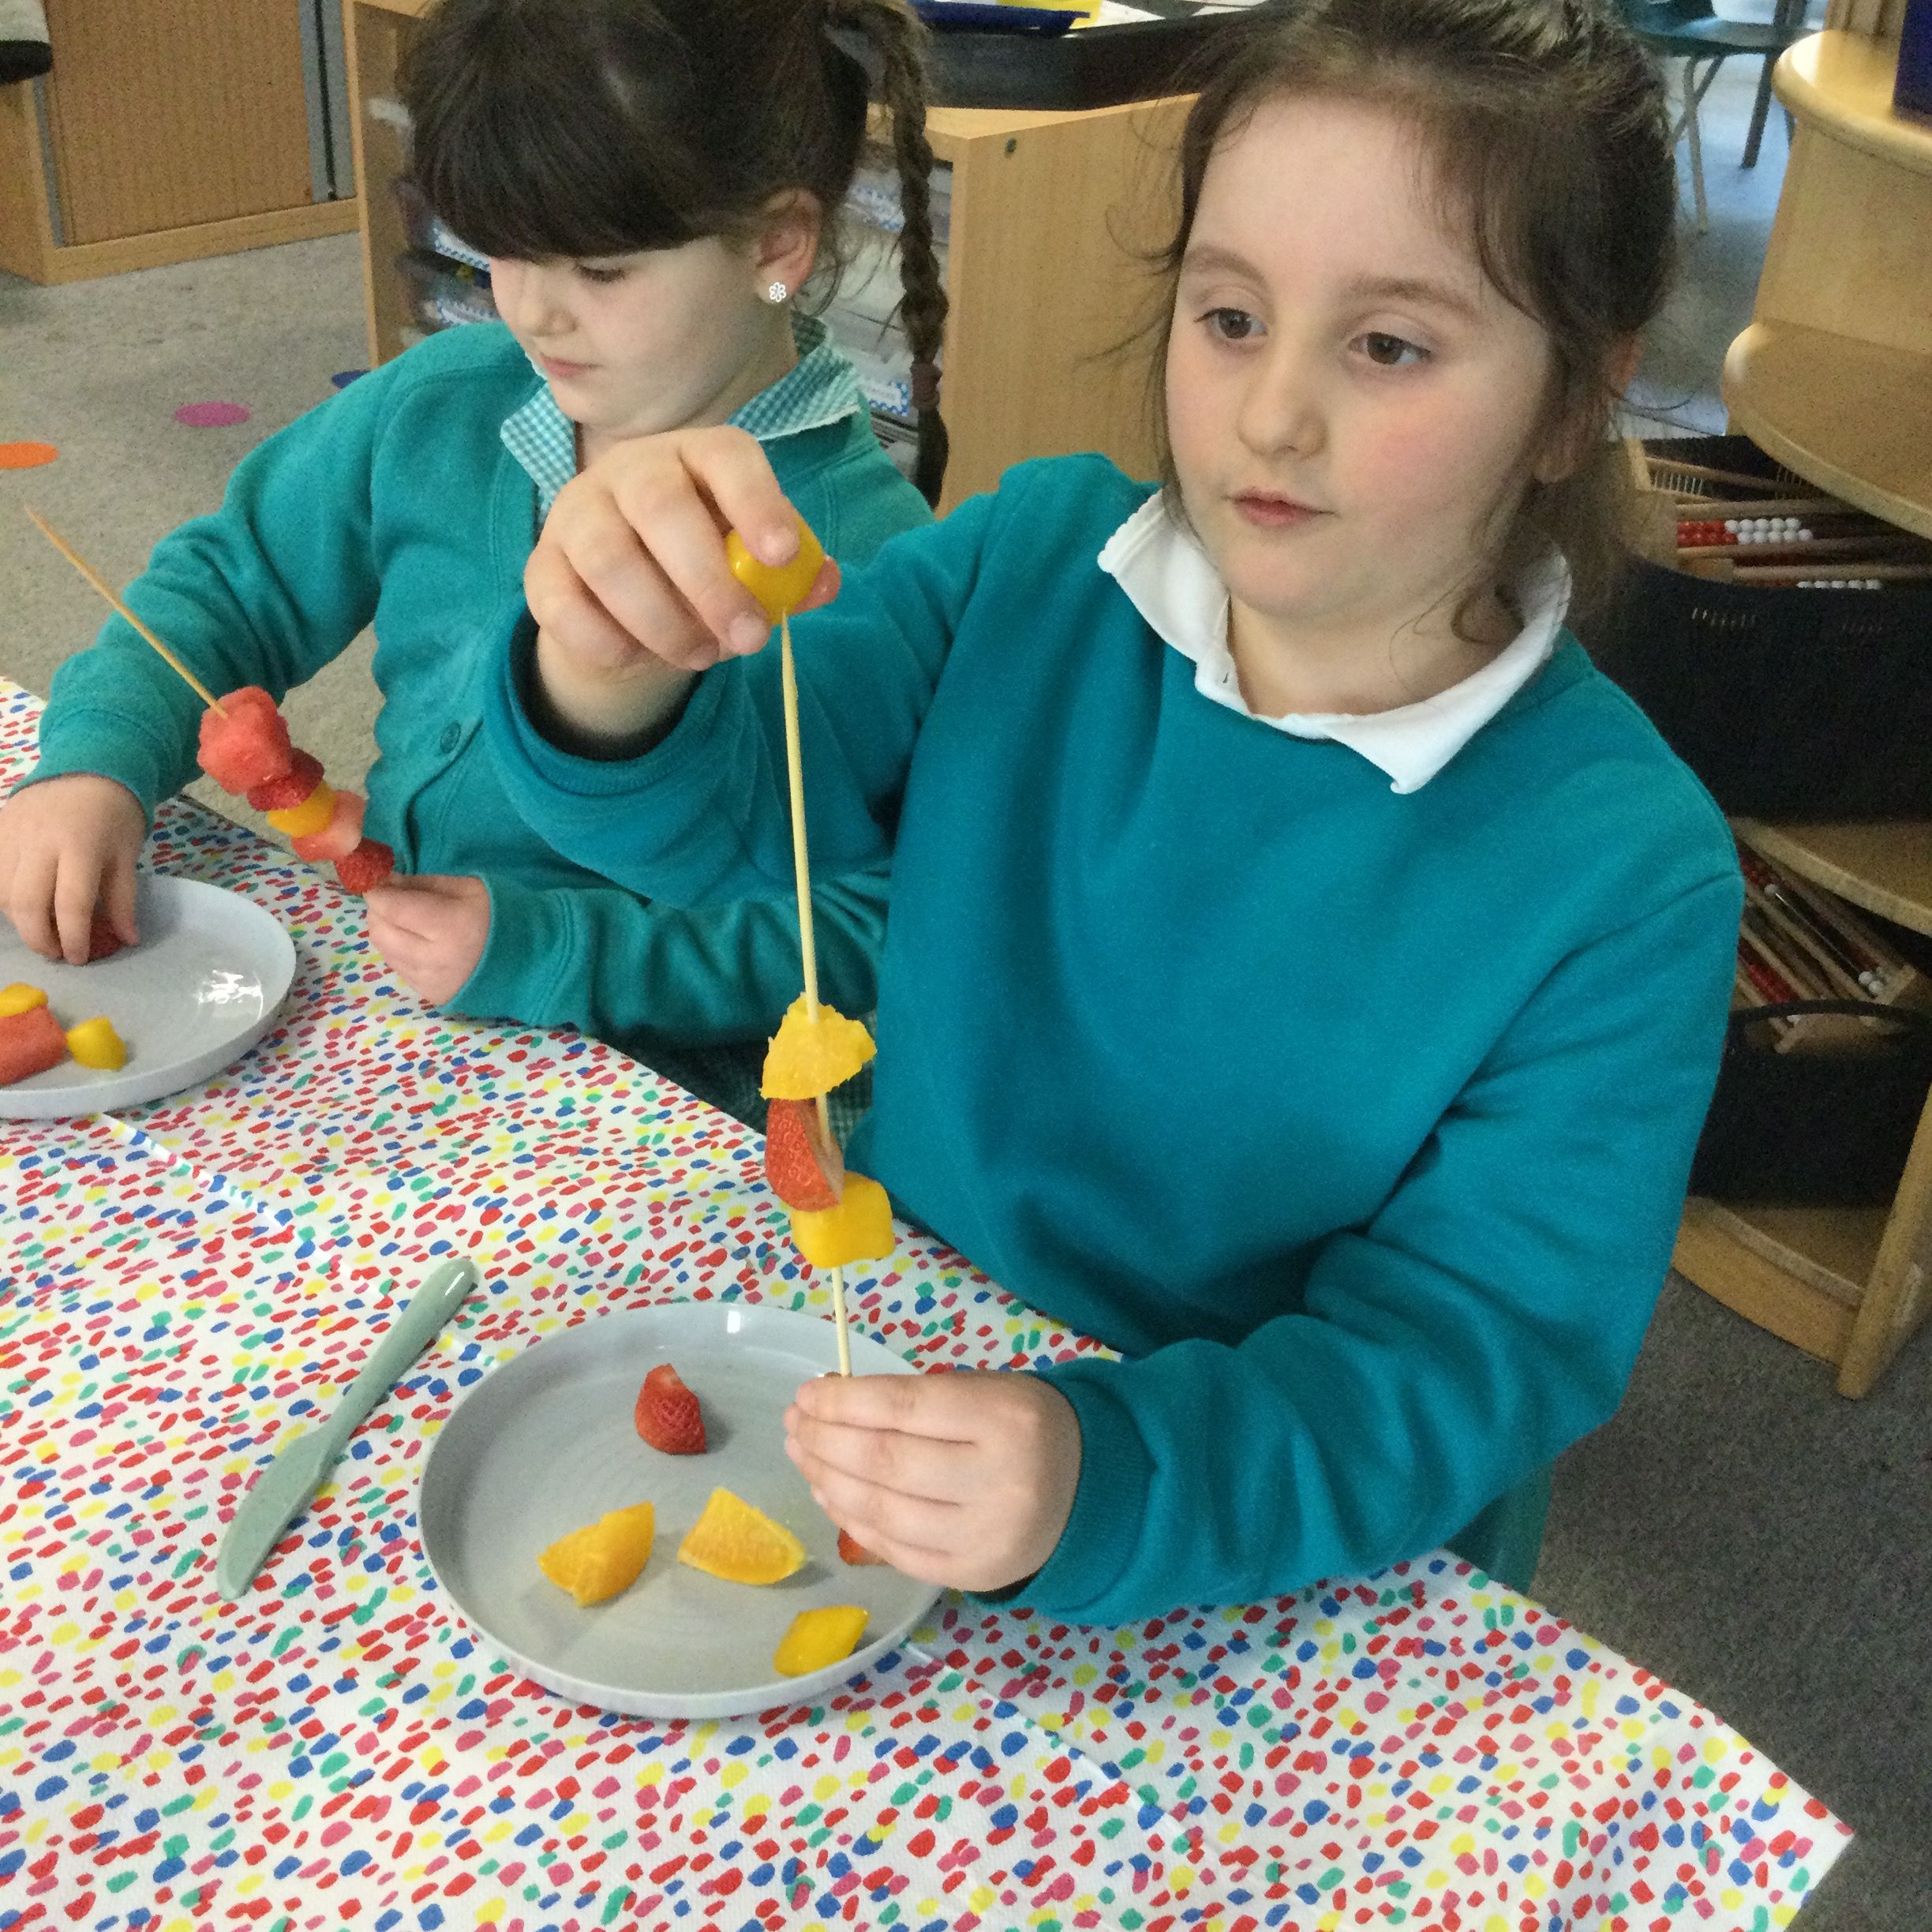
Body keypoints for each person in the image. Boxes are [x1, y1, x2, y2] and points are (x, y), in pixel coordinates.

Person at [485, 0, 1743, 1621]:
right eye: (1230, 317)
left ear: (1577, 399)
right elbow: (736, 814)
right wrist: (611, 661)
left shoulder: (1623, 874)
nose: (1271, 417)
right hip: (911, 1358)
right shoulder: (1033, 562)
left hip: (1252, 1528)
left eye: (1389, 346)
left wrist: (1107, 1467)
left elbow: (1469, 1355)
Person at [0, 0, 945, 1123]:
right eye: (496, 250)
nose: (534, 313)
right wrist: (98, 762)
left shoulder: (865, 558)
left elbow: (884, 923)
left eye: (599, 270)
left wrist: (566, 949)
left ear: (777, 244)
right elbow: (228, 587)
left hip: (661, 1104)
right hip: (396, 1014)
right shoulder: (443, 404)